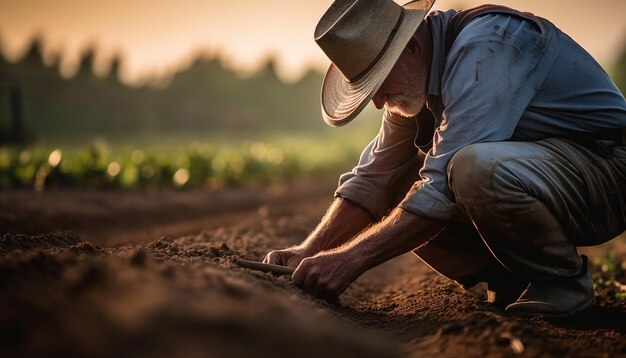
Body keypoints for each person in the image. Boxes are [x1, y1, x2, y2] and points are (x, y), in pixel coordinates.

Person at [264, 0, 626, 317]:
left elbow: (441, 190)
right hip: (552, 174)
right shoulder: (414, 83)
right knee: (404, 185)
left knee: (470, 168)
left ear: (412, 48)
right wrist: (310, 250)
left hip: (606, 169)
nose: (376, 102)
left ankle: (562, 280)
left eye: (379, 82)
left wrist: (351, 259)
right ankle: (510, 277)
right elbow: (374, 179)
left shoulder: (489, 46)